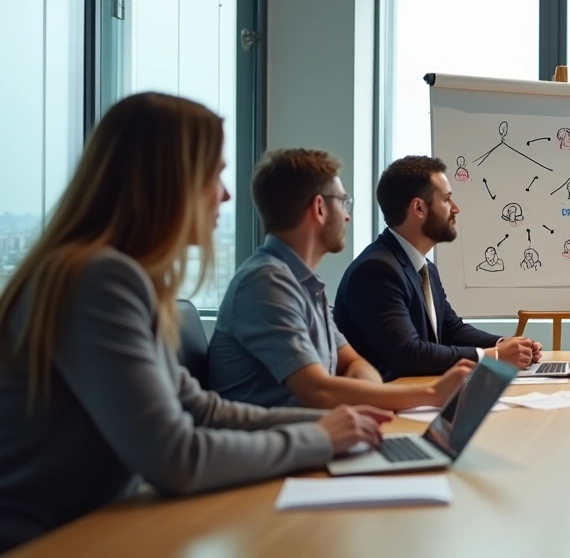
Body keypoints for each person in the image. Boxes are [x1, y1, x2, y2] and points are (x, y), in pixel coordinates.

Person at [0, 93, 389, 553]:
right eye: (215, 174)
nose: (225, 194)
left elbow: (201, 409)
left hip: (96, 525)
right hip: (48, 541)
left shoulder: (114, 274)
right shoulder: (99, 279)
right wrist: (317, 437)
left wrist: (334, 424)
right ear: (169, 180)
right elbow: (176, 457)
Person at [208, 149, 473, 410]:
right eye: (343, 202)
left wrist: (368, 398)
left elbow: (353, 363)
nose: (347, 216)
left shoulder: (303, 283)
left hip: (315, 435)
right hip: (275, 447)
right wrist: (429, 394)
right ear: (320, 208)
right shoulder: (265, 283)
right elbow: (319, 391)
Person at [334, 157, 541, 379]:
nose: (456, 209)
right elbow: (408, 354)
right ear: (419, 208)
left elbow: (452, 330)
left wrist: (507, 345)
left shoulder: (424, 267)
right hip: (387, 405)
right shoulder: (376, 270)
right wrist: (495, 356)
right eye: (447, 199)